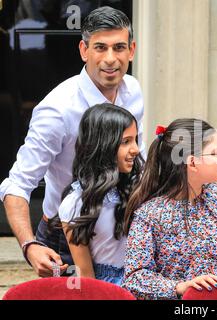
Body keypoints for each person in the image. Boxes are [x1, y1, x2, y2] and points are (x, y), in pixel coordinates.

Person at [0, 6, 145, 277]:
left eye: (119, 47)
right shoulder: (57, 110)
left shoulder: (134, 91)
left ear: (132, 50)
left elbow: (137, 156)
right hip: (66, 235)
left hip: (121, 229)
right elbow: (16, 185)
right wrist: (30, 246)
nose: (111, 59)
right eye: (100, 47)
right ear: (83, 50)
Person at [122, 119, 217, 300]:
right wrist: (180, 287)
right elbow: (135, 278)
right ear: (192, 163)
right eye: (216, 153)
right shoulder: (149, 215)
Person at [58, 103, 142, 285]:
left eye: (135, 140)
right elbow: (85, 277)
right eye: (125, 142)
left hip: (144, 279)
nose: (135, 149)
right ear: (102, 146)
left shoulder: (137, 188)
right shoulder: (76, 203)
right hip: (106, 285)